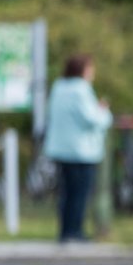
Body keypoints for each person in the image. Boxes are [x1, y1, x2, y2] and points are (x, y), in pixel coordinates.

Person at [42, 54, 112, 242]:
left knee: (66, 193)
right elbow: (91, 119)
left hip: (60, 149)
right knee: (80, 194)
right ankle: (75, 232)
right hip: (81, 150)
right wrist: (104, 112)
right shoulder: (81, 89)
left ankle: (65, 231)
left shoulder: (59, 87)